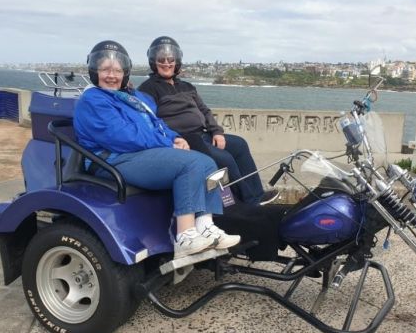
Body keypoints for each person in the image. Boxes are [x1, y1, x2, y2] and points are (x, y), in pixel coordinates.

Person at [73, 40, 240, 259]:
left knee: (207, 162)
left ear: (125, 73)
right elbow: (124, 137)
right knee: (191, 164)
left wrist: (176, 138)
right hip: (113, 159)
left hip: (136, 154)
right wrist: (167, 143)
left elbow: (156, 125)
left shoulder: (126, 98)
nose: (111, 75)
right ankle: (185, 236)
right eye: (105, 70)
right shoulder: (93, 100)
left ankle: (206, 227)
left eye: (117, 70)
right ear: (95, 72)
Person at [138, 36, 279, 206]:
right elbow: (150, 121)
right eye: (161, 59)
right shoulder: (147, 89)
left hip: (203, 134)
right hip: (184, 139)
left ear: (177, 62)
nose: (167, 63)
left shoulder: (187, 87)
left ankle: (257, 194)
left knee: (240, 144)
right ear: (154, 62)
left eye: (171, 59)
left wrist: (217, 131)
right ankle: (249, 202)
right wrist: (172, 138)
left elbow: (204, 110)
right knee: (225, 159)